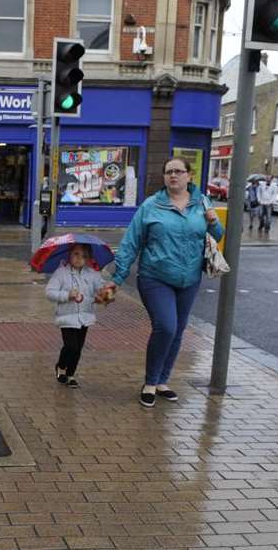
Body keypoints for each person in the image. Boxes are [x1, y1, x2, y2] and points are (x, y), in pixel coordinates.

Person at [103, 158, 223, 407]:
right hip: (155, 277)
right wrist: (117, 278)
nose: (173, 176)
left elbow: (217, 236)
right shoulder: (151, 206)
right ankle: (149, 381)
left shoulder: (202, 203)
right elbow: (131, 242)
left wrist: (213, 221)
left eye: (179, 171)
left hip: (189, 279)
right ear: (164, 177)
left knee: (178, 330)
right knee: (166, 326)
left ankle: (162, 381)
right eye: (169, 172)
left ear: (189, 176)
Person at [45, 244, 109, 388]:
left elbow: (101, 289)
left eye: (84, 256)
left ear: (89, 259)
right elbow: (49, 292)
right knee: (71, 346)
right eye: (76, 254)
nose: (80, 258)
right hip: (67, 317)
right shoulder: (61, 273)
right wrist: (66, 295)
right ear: (69, 255)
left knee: (78, 348)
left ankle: (71, 375)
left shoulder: (92, 274)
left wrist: (103, 296)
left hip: (85, 317)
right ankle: (61, 366)